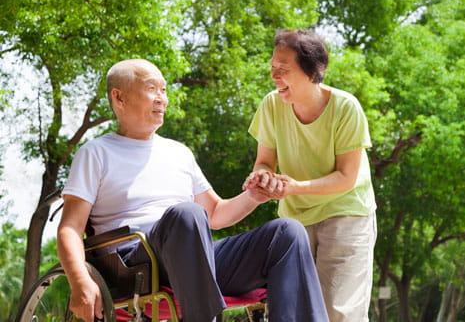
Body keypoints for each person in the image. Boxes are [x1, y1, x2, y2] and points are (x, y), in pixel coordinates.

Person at [57, 58, 328, 322]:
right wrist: (79, 279)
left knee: (287, 233)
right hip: (135, 265)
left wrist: (254, 196)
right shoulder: (95, 153)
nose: (162, 98)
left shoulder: (179, 152)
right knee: (186, 214)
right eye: (152, 89)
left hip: (197, 257)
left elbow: (215, 214)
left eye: (164, 90)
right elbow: (70, 227)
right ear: (119, 98)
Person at [244, 29, 377, 322]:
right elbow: (264, 162)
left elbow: (346, 177)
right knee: (294, 312)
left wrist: (293, 187)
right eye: (272, 69)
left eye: (284, 70)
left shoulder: (345, 108)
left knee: (338, 312)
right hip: (296, 219)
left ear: (312, 72)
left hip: (346, 212)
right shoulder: (271, 105)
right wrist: (264, 179)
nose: (275, 76)